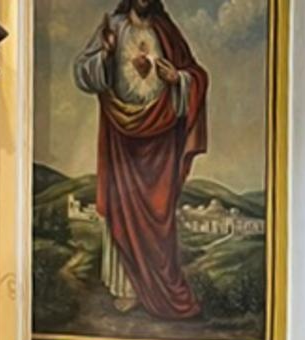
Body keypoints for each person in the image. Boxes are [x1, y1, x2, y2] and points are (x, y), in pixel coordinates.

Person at [74, 0, 208, 319]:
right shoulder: (114, 27)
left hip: (160, 140)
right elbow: (82, 72)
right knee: (123, 210)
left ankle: (158, 286)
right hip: (122, 137)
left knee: (158, 216)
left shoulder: (166, 30)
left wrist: (179, 79)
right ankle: (126, 289)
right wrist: (105, 54)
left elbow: (197, 75)